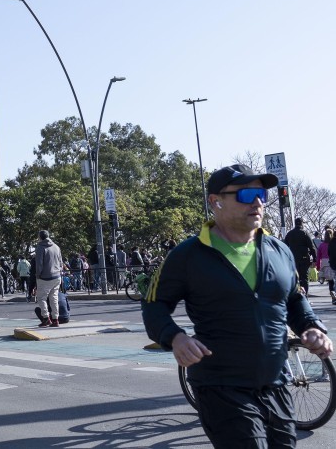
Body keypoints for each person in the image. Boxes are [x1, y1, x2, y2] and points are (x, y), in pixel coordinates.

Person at [142, 164, 332, 448]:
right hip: (221, 385)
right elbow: (154, 304)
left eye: (261, 194)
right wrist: (175, 336)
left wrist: (312, 326)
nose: (257, 202)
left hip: (276, 382)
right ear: (215, 201)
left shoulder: (279, 251)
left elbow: (294, 298)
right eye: (245, 194)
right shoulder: (188, 255)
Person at [35, 230, 63, 327]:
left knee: (41, 298)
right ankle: (55, 319)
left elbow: (39, 264)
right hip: (57, 276)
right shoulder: (56, 247)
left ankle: (46, 318)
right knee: (54, 298)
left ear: (40, 237)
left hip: (45, 277)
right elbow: (61, 262)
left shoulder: (40, 247)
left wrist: (38, 275)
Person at [284, 217, 316, 294]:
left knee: (295, 277)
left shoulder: (290, 234)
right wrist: (314, 258)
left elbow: (284, 246)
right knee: (304, 277)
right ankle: (305, 295)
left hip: (293, 258)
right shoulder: (305, 233)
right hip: (304, 257)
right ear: (302, 223)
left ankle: (297, 295)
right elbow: (311, 247)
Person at [317, 229, 336, 305]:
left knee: (330, 281)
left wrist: (318, 266)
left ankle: (333, 295)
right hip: (331, 261)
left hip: (325, 263)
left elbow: (318, 256)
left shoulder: (322, 245)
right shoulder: (332, 243)